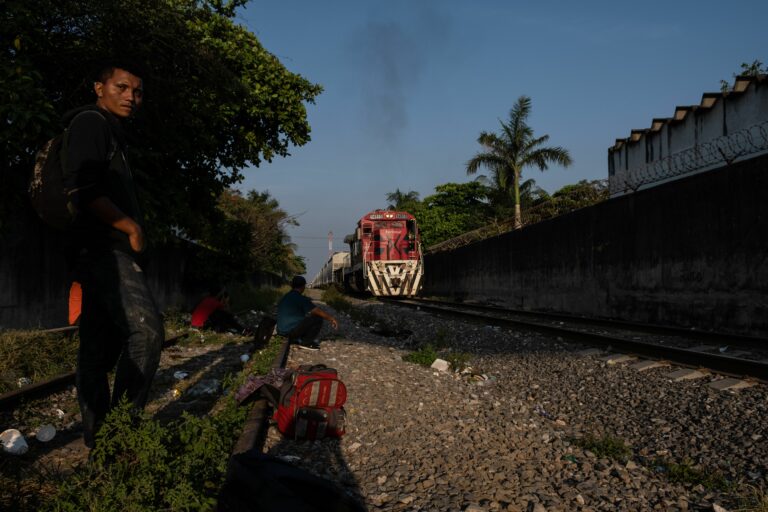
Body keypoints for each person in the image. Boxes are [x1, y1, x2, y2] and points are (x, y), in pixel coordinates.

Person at [63, 62, 164, 448]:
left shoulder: (112, 133)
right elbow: (83, 190)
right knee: (147, 332)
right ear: (98, 87)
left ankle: (100, 442)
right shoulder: (92, 124)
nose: (131, 98)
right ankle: (119, 437)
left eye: (137, 92)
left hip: (94, 251)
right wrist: (131, 228)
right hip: (105, 249)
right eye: (121, 88)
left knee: (96, 349)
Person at [276, 275, 338, 350]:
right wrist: (331, 318)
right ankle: (306, 342)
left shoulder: (286, 296)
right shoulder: (300, 298)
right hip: (289, 332)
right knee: (317, 318)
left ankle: (299, 339)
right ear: (303, 287)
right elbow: (316, 311)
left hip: (281, 332)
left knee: (308, 317)